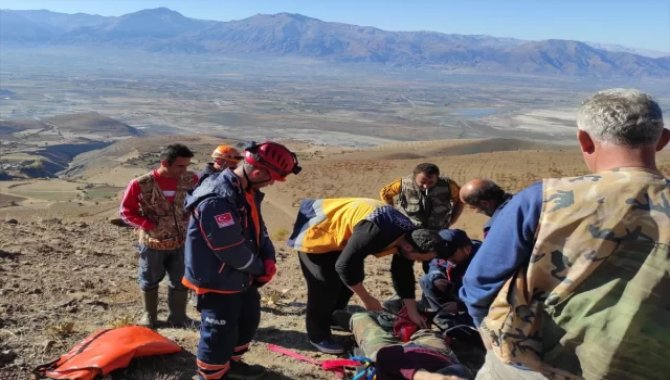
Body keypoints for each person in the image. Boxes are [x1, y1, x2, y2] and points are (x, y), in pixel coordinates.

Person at [460, 89, 670, 380]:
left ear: (584, 140)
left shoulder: (543, 199)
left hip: (536, 366)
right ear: (662, 140)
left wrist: (493, 337)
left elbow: (479, 284)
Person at [182, 141, 301, 380]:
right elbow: (229, 247)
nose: (271, 184)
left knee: (248, 320)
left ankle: (231, 365)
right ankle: (209, 375)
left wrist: (268, 257)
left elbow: (259, 229)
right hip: (217, 278)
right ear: (258, 172)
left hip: (239, 275)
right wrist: (258, 269)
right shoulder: (217, 198)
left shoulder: (246, 191)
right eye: (272, 179)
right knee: (219, 331)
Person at [287, 197, 450, 354]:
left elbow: (403, 275)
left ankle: (331, 316)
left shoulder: (411, 237)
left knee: (354, 278)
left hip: (345, 237)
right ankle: (318, 336)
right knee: (325, 285)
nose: (418, 262)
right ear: (408, 248)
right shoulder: (375, 232)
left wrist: (412, 310)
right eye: (420, 258)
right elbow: (343, 266)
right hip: (318, 229)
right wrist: (367, 299)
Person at [119, 143, 198, 328]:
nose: (185, 169)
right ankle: (150, 317)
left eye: (187, 165)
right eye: (180, 166)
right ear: (165, 162)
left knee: (181, 280)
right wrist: (148, 225)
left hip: (182, 243)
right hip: (153, 243)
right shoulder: (140, 184)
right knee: (149, 279)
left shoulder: (191, 179)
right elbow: (126, 211)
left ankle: (178, 317)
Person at [419, 229, 481, 329]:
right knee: (427, 280)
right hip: (457, 291)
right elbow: (435, 263)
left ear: (467, 249)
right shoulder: (448, 252)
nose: (448, 261)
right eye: (445, 257)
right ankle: (446, 322)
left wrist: (460, 306)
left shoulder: (481, 260)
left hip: (478, 302)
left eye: (451, 257)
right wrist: (437, 277)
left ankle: (465, 325)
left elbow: (488, 293)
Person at [380, 163, 464, 230]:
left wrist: (452, 220)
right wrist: (394, 216)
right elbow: (385, 194)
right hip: (410, 230)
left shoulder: (448, 185)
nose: (426, 186)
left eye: (431, 182)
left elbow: (460, 199)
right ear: (414, 177)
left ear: (437, 178)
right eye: (422, 182)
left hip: (439, 230)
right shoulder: (403, 184)